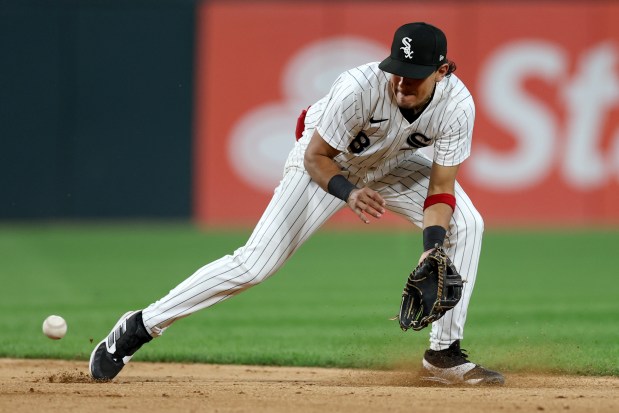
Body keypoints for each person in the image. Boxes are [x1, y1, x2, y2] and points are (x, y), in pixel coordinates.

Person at [89, 22, 504, 386]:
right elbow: (315, 156)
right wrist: (349, 192)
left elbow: (441, 186)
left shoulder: (457, 106)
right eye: (397, 71)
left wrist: (433, 245)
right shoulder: (360, 87)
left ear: (443, 71)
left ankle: (443, 354)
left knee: (466, 224)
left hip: (392, 165)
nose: (401, 83)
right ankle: (141, 325)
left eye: (414, 76)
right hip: (328, 164)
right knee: (255, 264)